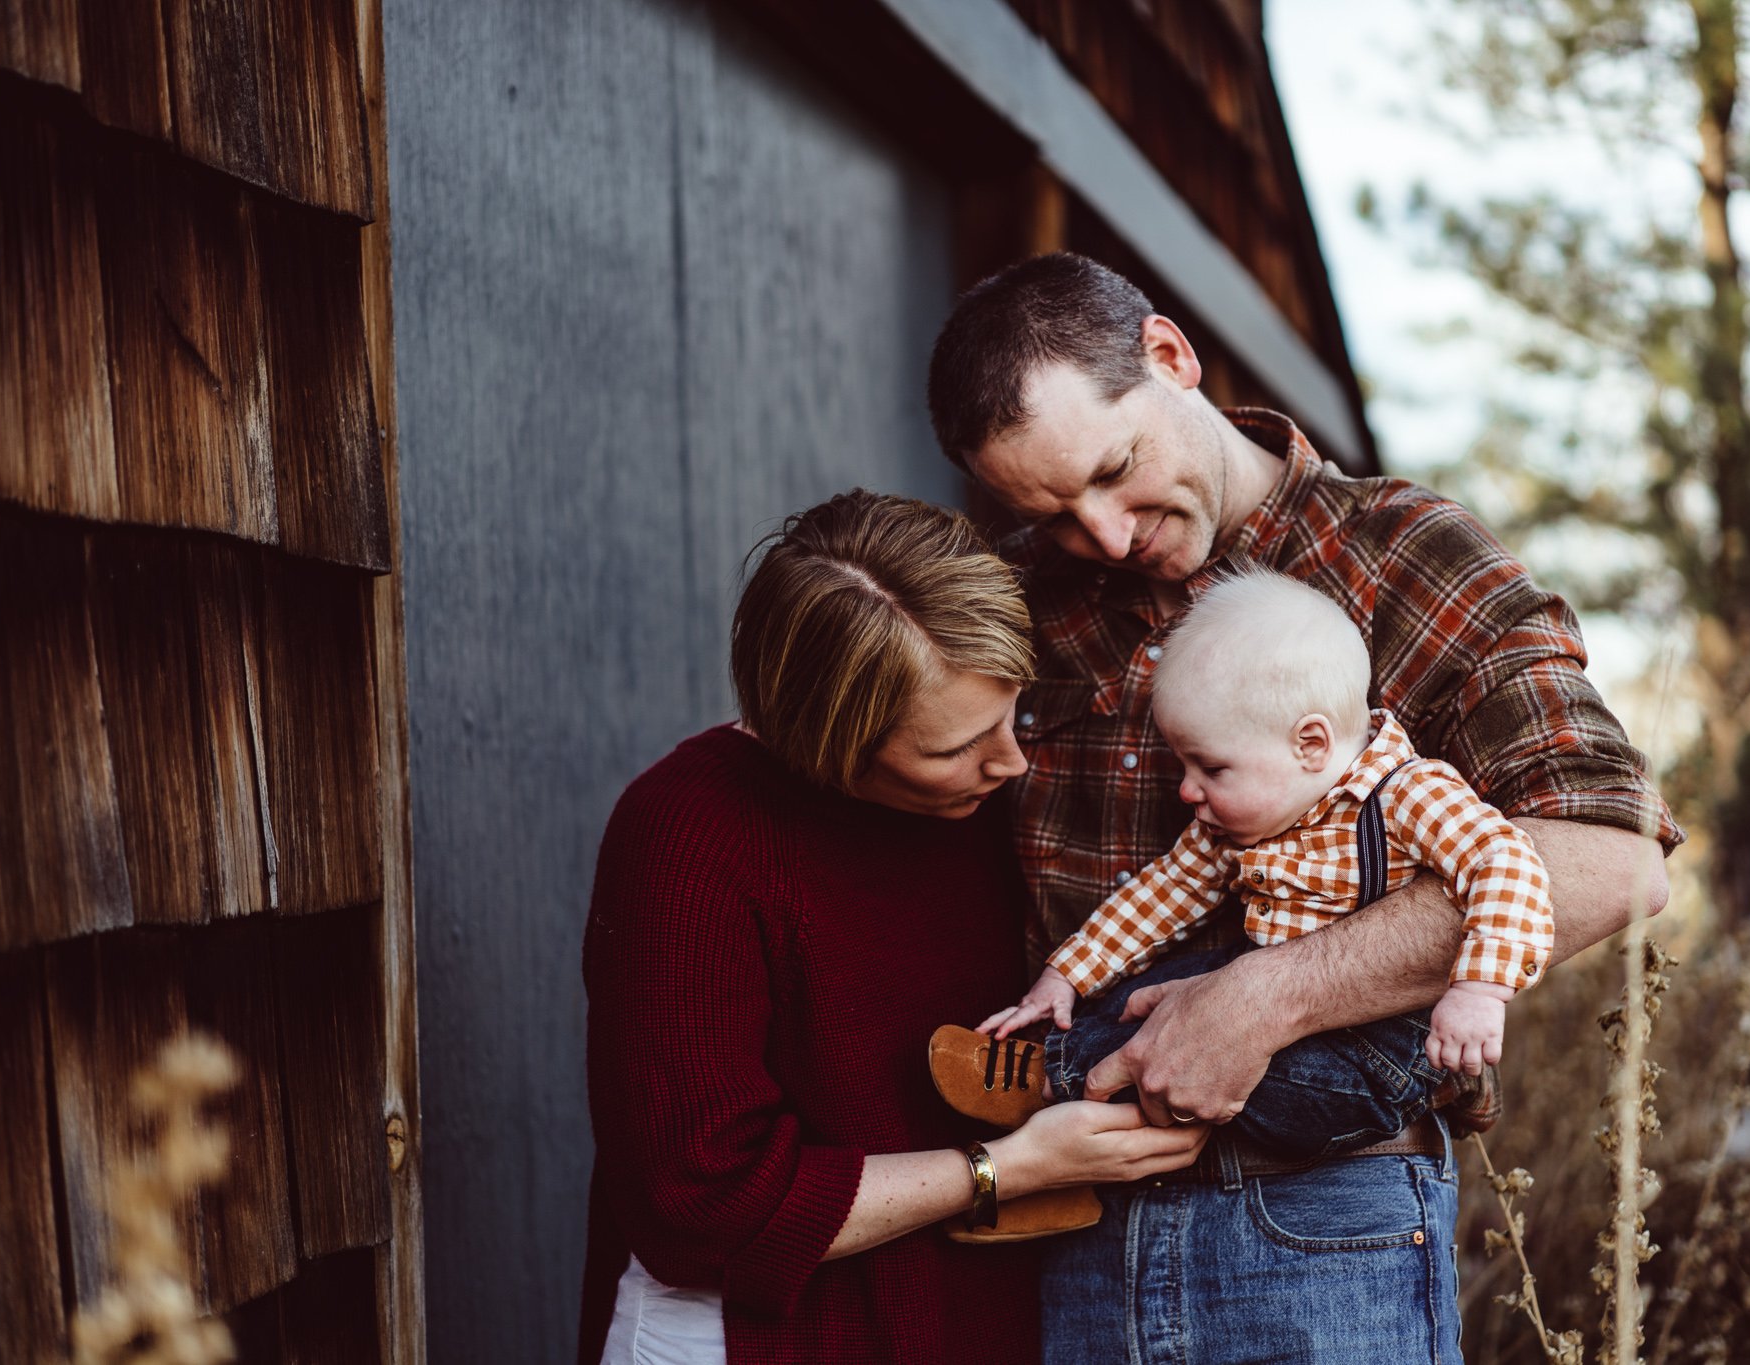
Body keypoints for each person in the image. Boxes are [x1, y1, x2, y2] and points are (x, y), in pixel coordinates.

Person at [926, 252, 1682, 1361]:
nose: (1105, 535)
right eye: (1051, 510)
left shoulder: (1403, 555)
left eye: (1115, 469)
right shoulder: (1023, 596)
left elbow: (1611, 857)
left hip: (1324, 1222)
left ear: (1170, 357)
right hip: (1068, 1229)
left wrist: (1266, 999)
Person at [577, 490, 1208, 1365]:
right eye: (954, 747)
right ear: (826, 741)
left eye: (1012, 713)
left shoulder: (989, 807)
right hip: (755, 1338)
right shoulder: (688, 834)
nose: (1011, 760)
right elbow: (698, 1203)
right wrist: (1006, 1168)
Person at [932, 568, 1550, 1182]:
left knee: (1291, 1089)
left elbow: (1507, 862)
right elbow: (1163, 893)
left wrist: (1478, 990)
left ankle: (1049, 1080)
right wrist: (1066, 973)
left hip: (1374, 1047)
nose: (1186, 789)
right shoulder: (1238, 822)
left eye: (1211, 768)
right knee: (1137, 1000)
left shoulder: (1408, 794)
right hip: (1248, 986)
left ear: (1310, 744)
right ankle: (1069, 1149)